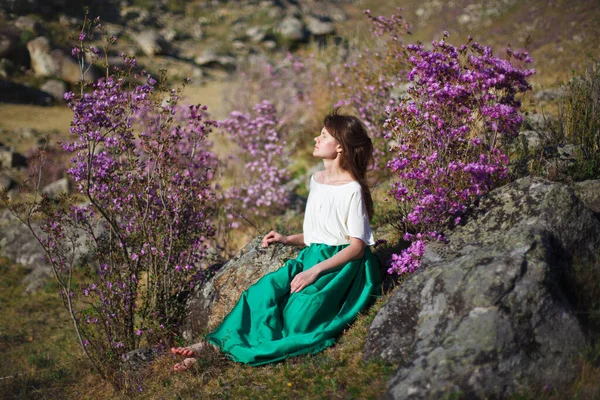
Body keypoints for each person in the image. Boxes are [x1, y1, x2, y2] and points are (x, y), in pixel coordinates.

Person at [171, 110, 382, 370]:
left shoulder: (353, 189)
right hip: (311, 257)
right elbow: (320, 234)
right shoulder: (316, 180)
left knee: (297, 319)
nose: (316, 138)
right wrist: (287, 238)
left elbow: (357, 247)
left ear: (339, 147)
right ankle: (215, 345)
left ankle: (230, 354)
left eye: (323, 135)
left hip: (340, 268)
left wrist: (314, 272)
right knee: (261, 293)